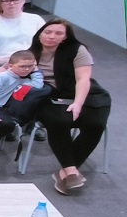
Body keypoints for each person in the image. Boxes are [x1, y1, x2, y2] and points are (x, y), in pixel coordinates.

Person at [29, 19, 112, 194]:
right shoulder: (31, 52)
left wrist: (78, 103)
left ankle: (65, 172)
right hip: (50, 95)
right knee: (59, 121)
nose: (52, 36)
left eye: (58, 33)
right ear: (40, 34)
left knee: (95, 124)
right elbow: (8, 68)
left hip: (85, 94)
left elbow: (83, 79)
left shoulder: (77, 50)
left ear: (65, 37)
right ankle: (71, 171)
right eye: (48, 32)